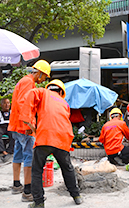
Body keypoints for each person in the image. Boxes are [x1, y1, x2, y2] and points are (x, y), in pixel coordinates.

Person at [20, 79, 83, 208]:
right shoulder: (64, 103)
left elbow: (30, 94)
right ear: (61, 91)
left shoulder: (43, 92)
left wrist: (27, 120)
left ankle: (39, 203)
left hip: (46, 138)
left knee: (37, 170)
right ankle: (76, 196)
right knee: (67, 168)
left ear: (50, 88)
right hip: (63, 139)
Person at [7, 60, 50, 202]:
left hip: (16, 125)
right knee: (29, 157)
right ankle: (27, 191)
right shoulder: (28, 83)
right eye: (44, 77)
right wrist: (30, 126)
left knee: (18, 154)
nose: (44, 80)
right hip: (23, 127)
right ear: (39, 73)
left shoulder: (23, 81)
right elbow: (23, 104)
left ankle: (16, 184)